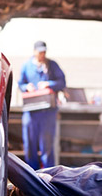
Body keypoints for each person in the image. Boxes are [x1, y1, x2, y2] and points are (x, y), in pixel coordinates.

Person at [18, 41, 66, 170]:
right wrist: (26, 87)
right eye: (40, 52)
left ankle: (48, 173)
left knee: (47, 145)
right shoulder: (26, 66)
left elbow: (62, 82)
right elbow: (20, 84)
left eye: (44, 52)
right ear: (34, 51)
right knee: (29, 144)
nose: (42, 54)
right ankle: (31, 173)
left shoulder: (52, 65)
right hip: (31, 112)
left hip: (48, 112)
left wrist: (48, 84)